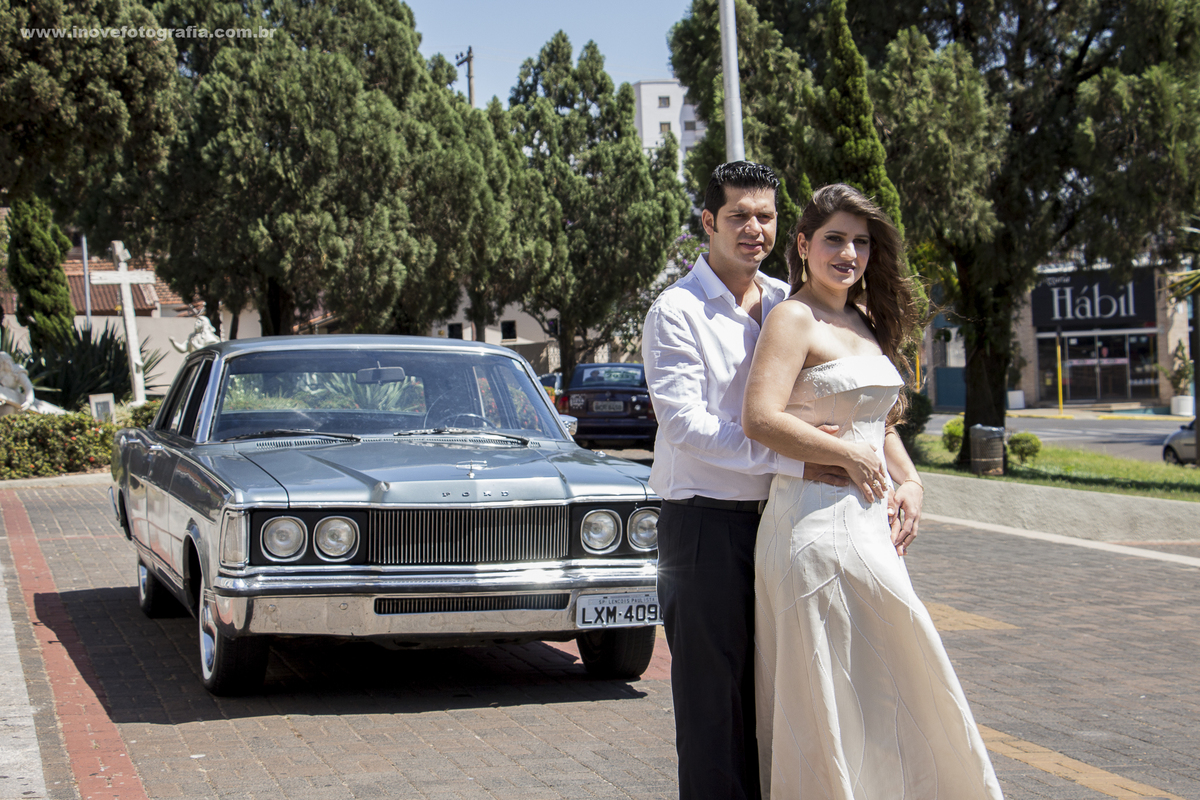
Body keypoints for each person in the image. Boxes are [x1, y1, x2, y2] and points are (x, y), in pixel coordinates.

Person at [742, 184, 1004, 798]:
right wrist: (842, 453)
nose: (849, 254)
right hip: (809, 530)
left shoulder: (864, 318)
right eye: (834, 239)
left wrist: (909, 479)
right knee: (826, 693)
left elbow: (878, 423)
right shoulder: (792, 318)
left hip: (866, 527)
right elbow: (759, 418)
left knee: (891, 685)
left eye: (860, 242)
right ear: (802, 244)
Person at [643, 162, 847, 800]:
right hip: (706, 526)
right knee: (714, 705)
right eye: (738, 215)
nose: (754, 228)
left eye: (765, 216)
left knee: (779, 694)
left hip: (783, 520)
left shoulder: (791, 303)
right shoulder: (676, 311)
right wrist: (793, 459)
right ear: (709, 221)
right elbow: (687, 426)